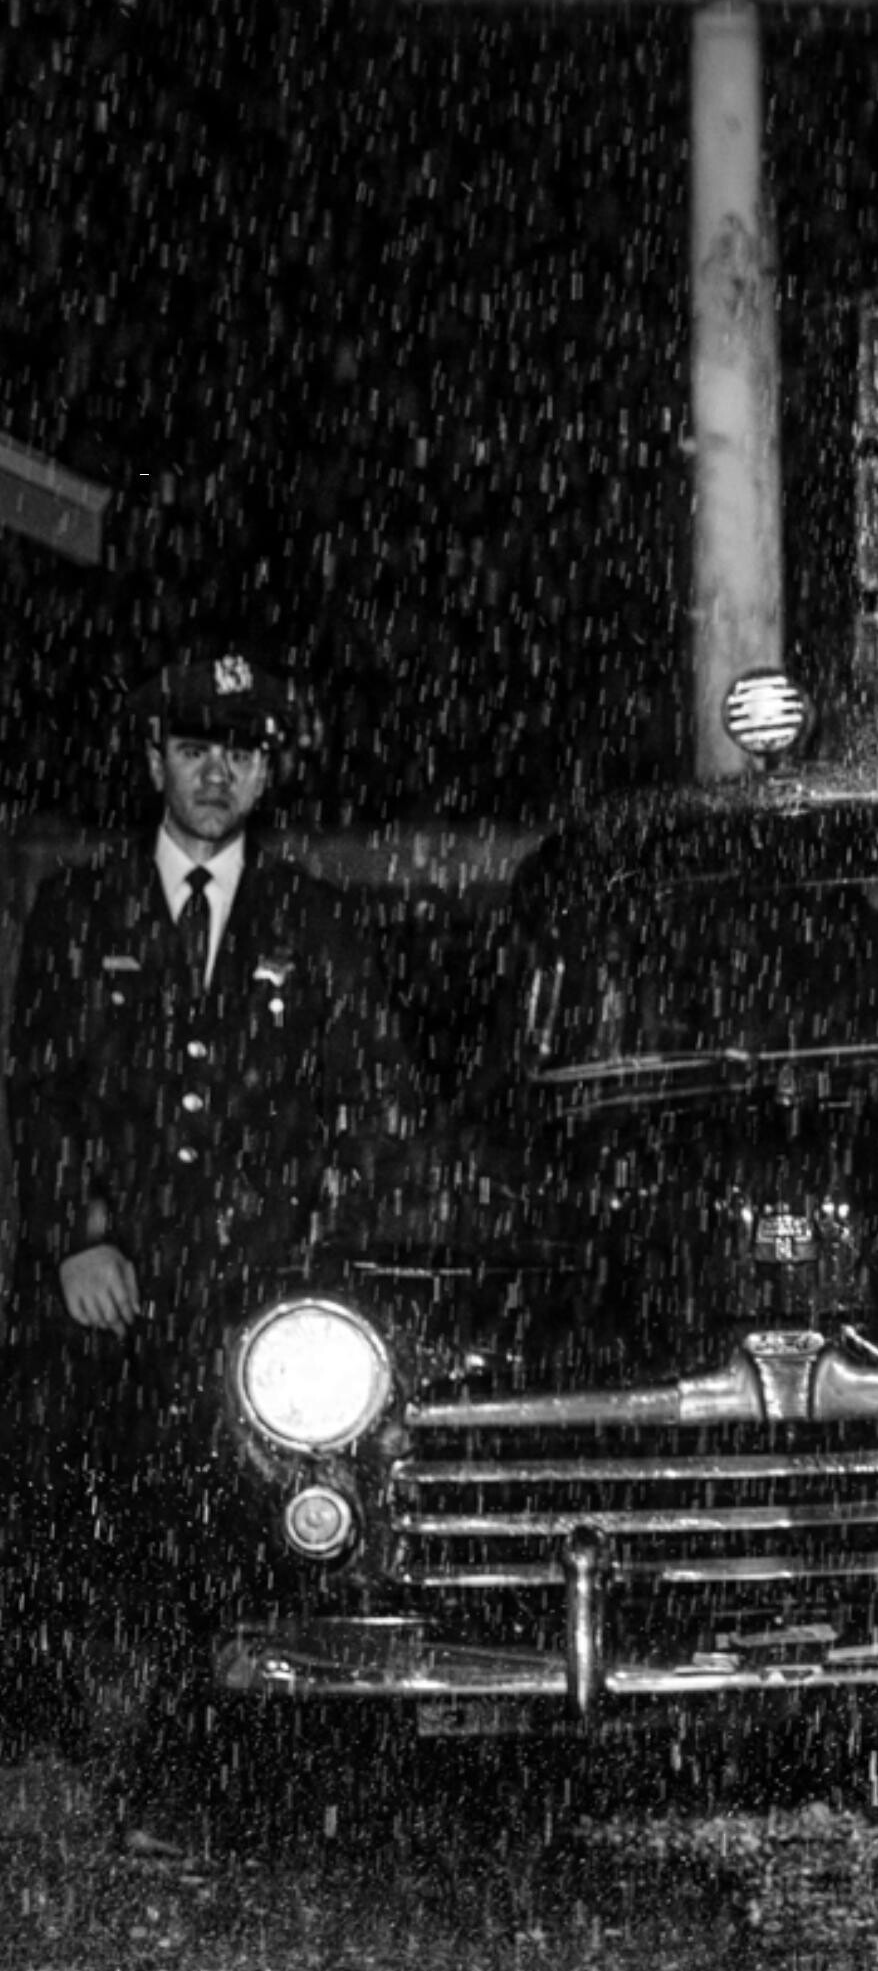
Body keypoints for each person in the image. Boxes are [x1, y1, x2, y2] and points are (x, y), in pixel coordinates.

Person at [5, 639, 419, 1830]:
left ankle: (224, 1780)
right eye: (194, 747)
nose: (216, 771)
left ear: (268, 770)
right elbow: (44, 1094)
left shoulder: (314, 916)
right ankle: (80, 1752)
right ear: (155, 758)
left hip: (261, 1289)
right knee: (85, 1503)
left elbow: (371, 1094)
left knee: (251, 1522)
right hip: (114, 1280)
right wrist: (76, 1236)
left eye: (239, 751)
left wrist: (327, 1240)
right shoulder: (81, 909)